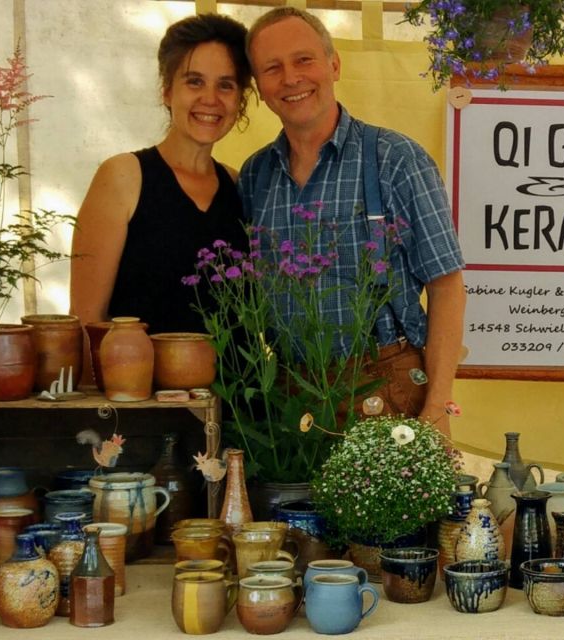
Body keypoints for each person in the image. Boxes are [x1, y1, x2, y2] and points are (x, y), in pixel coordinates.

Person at [239, 7, 466, 435]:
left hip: (389, 391)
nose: (290, 78)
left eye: (304, 60)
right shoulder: (255, 176)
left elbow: (446, 285)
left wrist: (438, 405)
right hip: (291, 399)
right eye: (272, 68)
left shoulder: (394, 159)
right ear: (259, 88)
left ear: (334, 65)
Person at [70, 13, 252, 381]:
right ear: (167, 90)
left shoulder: (239, 184)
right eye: (194, 81)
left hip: (240, 419)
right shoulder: (123, 176)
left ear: (241, 99)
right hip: (146, 417)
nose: (210, 99)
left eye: (226, 85)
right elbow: (87, 326)